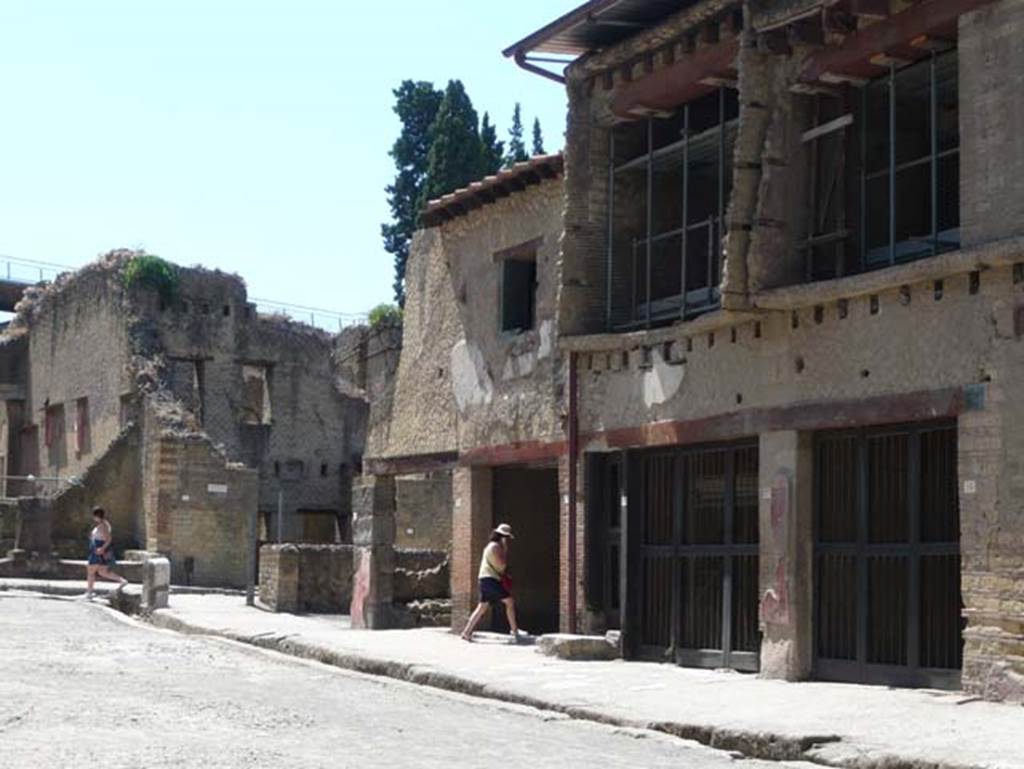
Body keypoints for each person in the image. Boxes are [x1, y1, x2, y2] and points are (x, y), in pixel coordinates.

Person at [461, 523, 526, 644]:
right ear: (502, 536)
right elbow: (501, 566)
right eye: (506, 537)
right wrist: (505, 550)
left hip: (485, 579)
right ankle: (514, 631)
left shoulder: (490, 546)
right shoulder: (495, 547)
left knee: (482, 607)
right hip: (491, 580)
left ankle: (466, 632)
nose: (507, 540)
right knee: (509, 602)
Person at [85, 507, 126, 599]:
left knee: (91, 571)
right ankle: (122, 581)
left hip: (99, 550)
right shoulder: (102, 525)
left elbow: (108, 539)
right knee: (102, 572)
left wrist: (102, 548)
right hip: (97, 549)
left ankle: (89, 593)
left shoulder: (103, 525)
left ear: (96, 516)